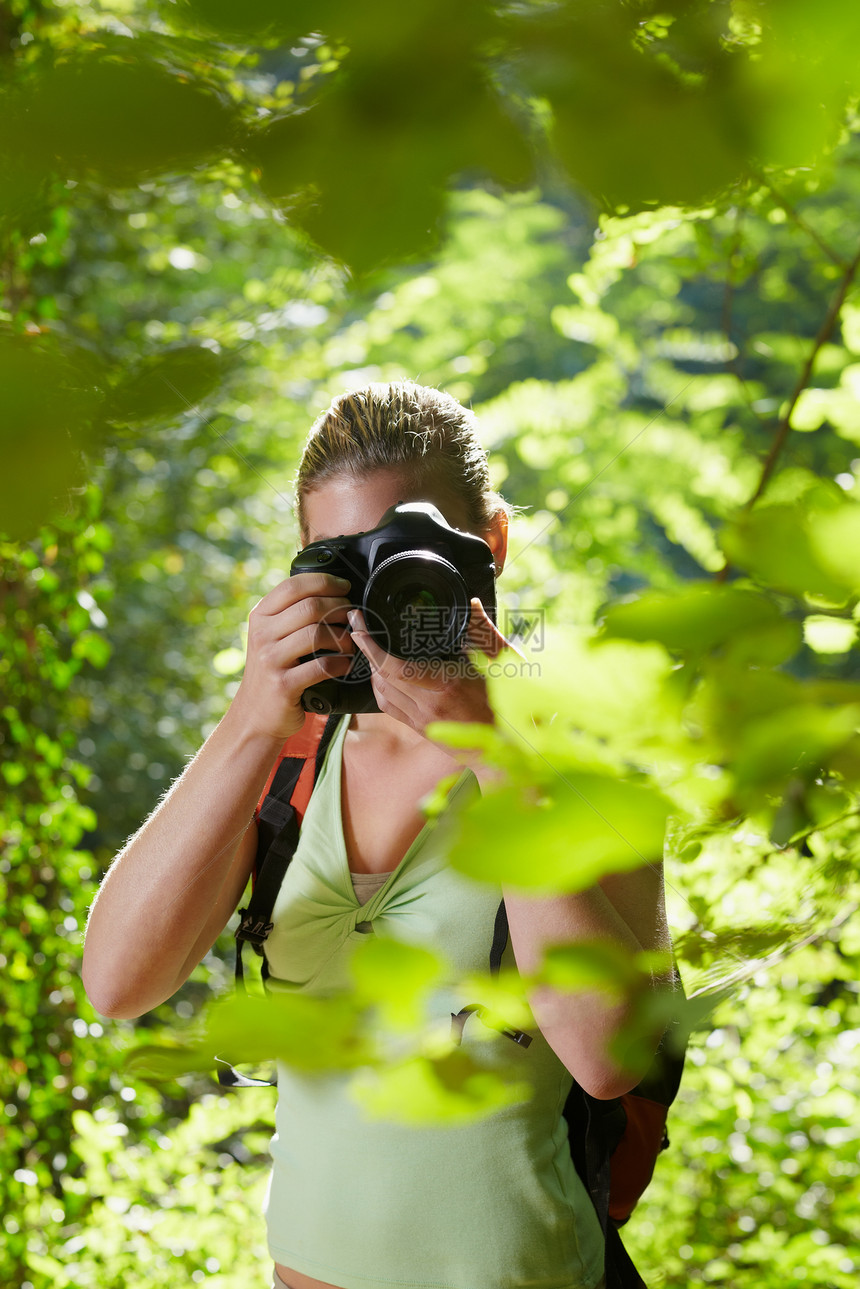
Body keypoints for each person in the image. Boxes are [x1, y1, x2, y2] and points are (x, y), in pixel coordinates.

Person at [83, 381, 672, 1289]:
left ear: (495, 543)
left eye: (413, 550)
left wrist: (500, 756)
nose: (383, 592)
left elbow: (607, 1059)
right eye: (349, 562)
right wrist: (252, 715)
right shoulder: (289, 758)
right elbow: (119, 984)